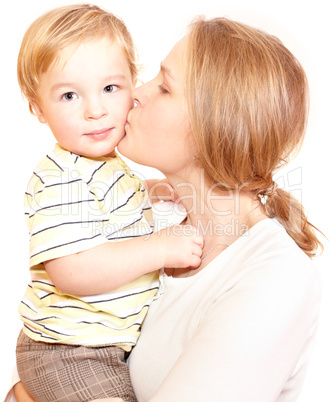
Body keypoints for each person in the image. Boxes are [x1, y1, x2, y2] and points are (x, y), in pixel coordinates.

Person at [11, 15, 323, 402]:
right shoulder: (153, 221)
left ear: (214, 124)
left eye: (164, 87)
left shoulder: (274, 278)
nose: (136, 93)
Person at [14, 4, 203, 402]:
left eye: (110, 89)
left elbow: (108, 214)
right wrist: (160, 246)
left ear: (134, 86)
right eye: (69, 95)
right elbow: (72, 270)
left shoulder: (110, 168)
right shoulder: (60, 177)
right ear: (37, 108)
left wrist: (151, 189)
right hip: (66, 351)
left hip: (106, 347)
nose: (95, 110)